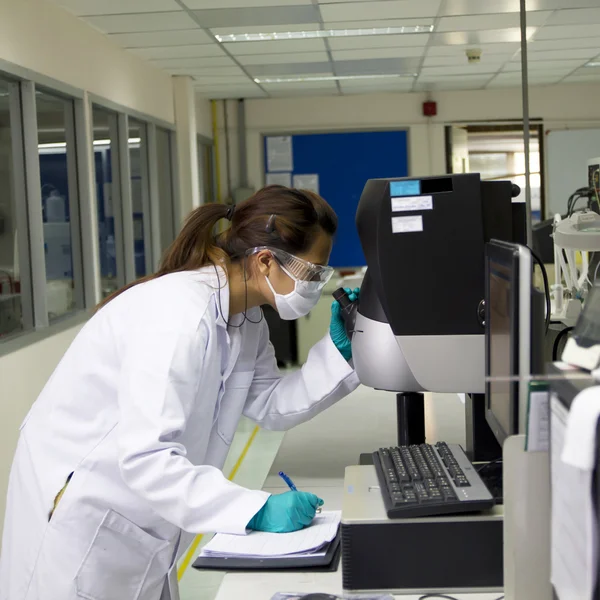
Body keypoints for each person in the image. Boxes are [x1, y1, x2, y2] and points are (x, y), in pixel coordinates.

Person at [0, 185, 361, 600]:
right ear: (265, 260)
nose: (319, 283)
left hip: (139, 522)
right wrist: (254, 509)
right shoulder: (179, 316)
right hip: (85, 520)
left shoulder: (244, 319)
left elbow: (270, 404)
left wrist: (339, 353)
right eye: (313, 271)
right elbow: (147, 459)